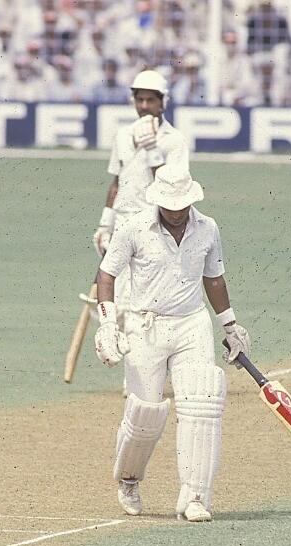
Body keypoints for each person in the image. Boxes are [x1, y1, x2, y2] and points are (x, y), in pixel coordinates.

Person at [94, 165, 251, 523]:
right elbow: (107, 274)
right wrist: (107, 324)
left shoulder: (207, 228)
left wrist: (230, 325)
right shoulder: (133, 227)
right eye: (170, 205)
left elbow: (214, 279)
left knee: (201, 405)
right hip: (144, 323)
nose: (177, 212)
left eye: (182, 204)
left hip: (191, 323)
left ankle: (195, 496)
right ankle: (129, 479)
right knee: (145, 412)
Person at [86, 69, 189, 387]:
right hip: (123, 223)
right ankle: (141, 375)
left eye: (150, 100)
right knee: (117, 301)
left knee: (147, 303)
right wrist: (105, 222)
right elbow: (117, 181)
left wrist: (153, 150)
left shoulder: (174, 141)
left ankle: (151, 372)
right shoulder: (122, 135)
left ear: (163, 103)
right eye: (139, 99)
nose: (144, 106)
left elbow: (174, 187)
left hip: (155, 224)